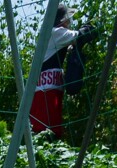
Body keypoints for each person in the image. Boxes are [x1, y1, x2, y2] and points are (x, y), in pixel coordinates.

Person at [29, 3, 98, 139]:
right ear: (61, 20)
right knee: (48, 132)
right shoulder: (56, 32)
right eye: (68, 19)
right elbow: (80, 36)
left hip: (45, 89)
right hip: (46, 92)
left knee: (44, 131)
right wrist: (92, 26)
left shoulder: (50, 34)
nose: (69, 22)